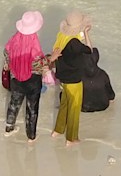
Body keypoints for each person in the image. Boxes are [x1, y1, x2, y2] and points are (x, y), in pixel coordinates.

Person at [48, 12, 96, 144]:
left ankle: (57, 130)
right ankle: (71, 137)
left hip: (62, 77)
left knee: (64, 104)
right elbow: (89, 50)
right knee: (74, 107)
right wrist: (86, 33)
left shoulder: (61, 36)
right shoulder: (75, 43)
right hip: (74, 79)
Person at [3, 11, 45, 140]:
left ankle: (9, 128)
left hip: (16, 78)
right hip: (32, 81)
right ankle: (31, 135)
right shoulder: (34, 41)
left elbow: (6, 53)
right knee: (32, 108)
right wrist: (50, 60)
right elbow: (37, 63)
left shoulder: (15, 39)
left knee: (14, 103)